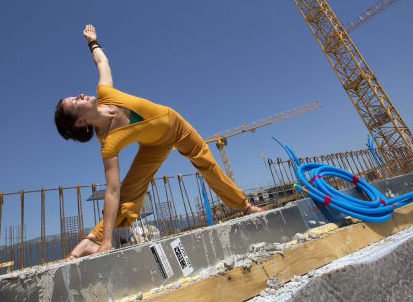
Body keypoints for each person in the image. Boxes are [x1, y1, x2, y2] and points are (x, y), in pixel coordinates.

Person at [54, 24, 264, 258]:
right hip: (155, 146)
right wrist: (106, 241)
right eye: (75, 101)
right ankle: (92, 240)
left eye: (75, 95)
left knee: (205, 161)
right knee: (130, 192)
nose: (80, 94)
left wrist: (91, 41)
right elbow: (112, 191)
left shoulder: (105, 92)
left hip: (177, 126)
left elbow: (101, 62)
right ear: (81, 122)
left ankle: (245, 206)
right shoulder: (108, 143)